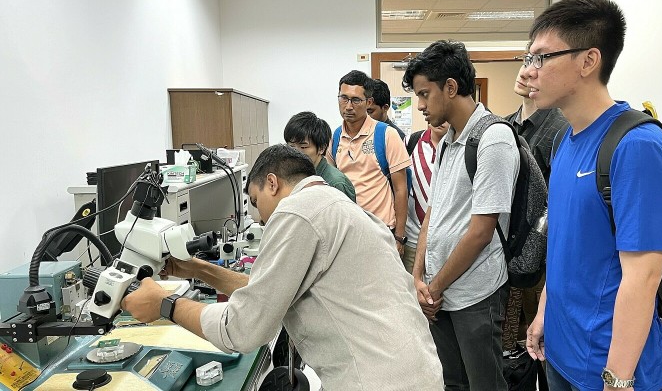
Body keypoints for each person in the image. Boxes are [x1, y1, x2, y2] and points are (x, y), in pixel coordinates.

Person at [121, 144, 444, 390]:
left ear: (272, 183)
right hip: (414, 370)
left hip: (376, 380)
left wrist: (165, 303)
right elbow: (270, 289)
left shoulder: (297, 211)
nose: (260, 217)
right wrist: (198, 270)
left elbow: (242, 330)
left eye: (256, 201)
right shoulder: (336, 205)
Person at [523, 0, 662, 391]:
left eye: (541, 57)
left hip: (611, 368)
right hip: (561, 354)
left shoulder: (637, 145)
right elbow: (564, 244)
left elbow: (644, 275)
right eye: (528, 57)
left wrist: (618, 379)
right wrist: (544, 312)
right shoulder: (563, 141)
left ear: (588, 61)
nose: (528, 71)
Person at [403, 39, 519, 391]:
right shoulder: (446, 143)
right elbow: (433, 212)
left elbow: (481, 231)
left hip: (475, 293)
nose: (420, 105)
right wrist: (418, 277)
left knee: (484, 384)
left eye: (425, 94)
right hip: (439, 294)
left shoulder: (493, 138)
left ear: (451, 88)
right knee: (452, 383)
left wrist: (434, 288)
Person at [501, 62, 567, 352]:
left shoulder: (561, 129)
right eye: (525, 60)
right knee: (507, 342)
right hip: (507, 249)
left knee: (541, 339)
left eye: (536, 63)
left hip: (543, 256)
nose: (525, 71)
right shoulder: (504, 126)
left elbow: (557, 201)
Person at [330, 70, 411, 258]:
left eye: (356, 100)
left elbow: (401, 189)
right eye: (344, 98)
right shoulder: (335, 136)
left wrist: (399, 237)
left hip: (381, 230)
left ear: (368, 102)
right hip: (347, 232)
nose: (348, 106)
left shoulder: (387, 134)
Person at [403, 122, 449, 274]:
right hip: (413, 239)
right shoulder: (410, 142)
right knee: (411, 286)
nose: (441, 121)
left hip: (446, 243)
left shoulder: (460, 147)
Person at [284, 111, 356, 202]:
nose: (296, 153)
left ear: (321, 148)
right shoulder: (293, 176)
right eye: (291, 147)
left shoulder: (335, 183)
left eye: (303, 147)